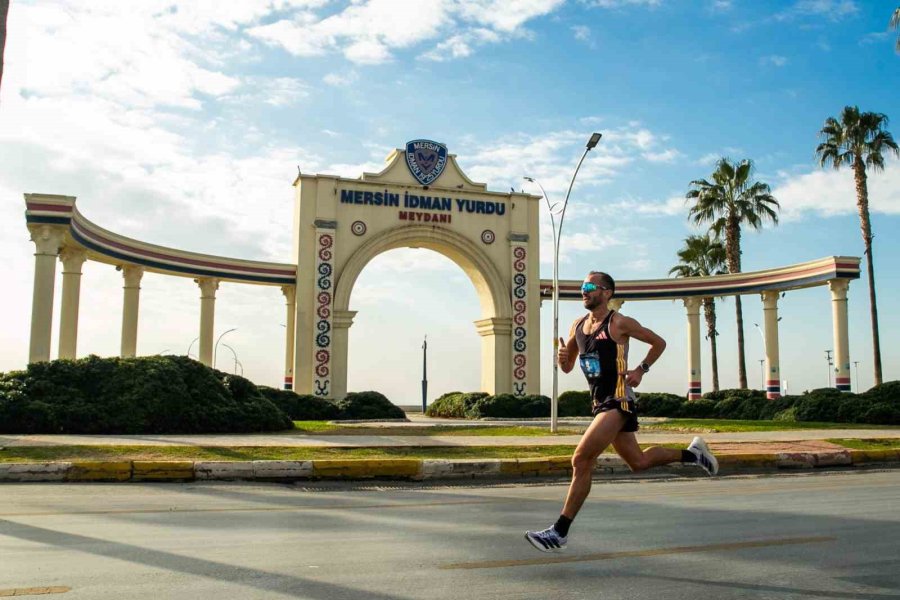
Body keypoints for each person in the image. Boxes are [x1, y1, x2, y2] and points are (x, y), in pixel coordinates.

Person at [525, 271, 718, 553]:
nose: (584, 291)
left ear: (606, 293)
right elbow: (567, 367)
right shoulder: (577, 326)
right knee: (638, 462)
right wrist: (562, 359)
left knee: (581, 459)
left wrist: (641, 369)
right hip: (599, 402)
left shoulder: (619, 323)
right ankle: (694, 454)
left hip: (618, 400)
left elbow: (658, 342)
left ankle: (559, 532)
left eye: (590, 287)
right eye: (582, 286)